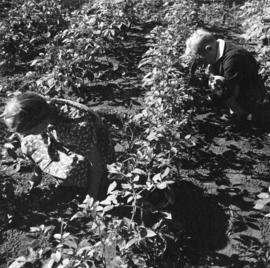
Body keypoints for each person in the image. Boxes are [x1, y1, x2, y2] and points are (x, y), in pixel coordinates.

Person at [1, 91, 115, 199]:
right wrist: (37, 174)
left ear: (41, 123)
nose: (25, 135)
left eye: (28, 131)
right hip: (69, 144)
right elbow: (44, 136)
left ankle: (85, 184)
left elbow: (96, 164)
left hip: (97, 156)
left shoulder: (77, 126)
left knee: (68, 175)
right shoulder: (44, 109)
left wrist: (92, 196)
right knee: (27, 144)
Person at [185, 28, 267, 122]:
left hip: (253, 98)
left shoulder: (232, 59)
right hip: (243, 87)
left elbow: (228, 92)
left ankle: (245, 115)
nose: (202, 62)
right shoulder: (221, 48)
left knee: (216, 83)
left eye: (201, 58)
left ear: (209, 48)